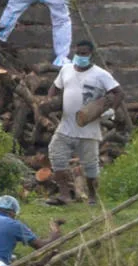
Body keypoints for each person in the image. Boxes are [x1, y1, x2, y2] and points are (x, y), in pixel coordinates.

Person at [47, 41, 124, 205]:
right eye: (78, 53)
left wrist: (111, 110)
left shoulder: (100, 74)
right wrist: (50, 101)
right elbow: (55, 87)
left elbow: (119, 92)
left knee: (90, 166)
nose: (80, 56)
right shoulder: (66, 69)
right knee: (56, 156)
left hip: (88, 130)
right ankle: (64, 195)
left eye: (84, 54)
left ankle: (93, 196)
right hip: (65, 127)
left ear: (91, 55)